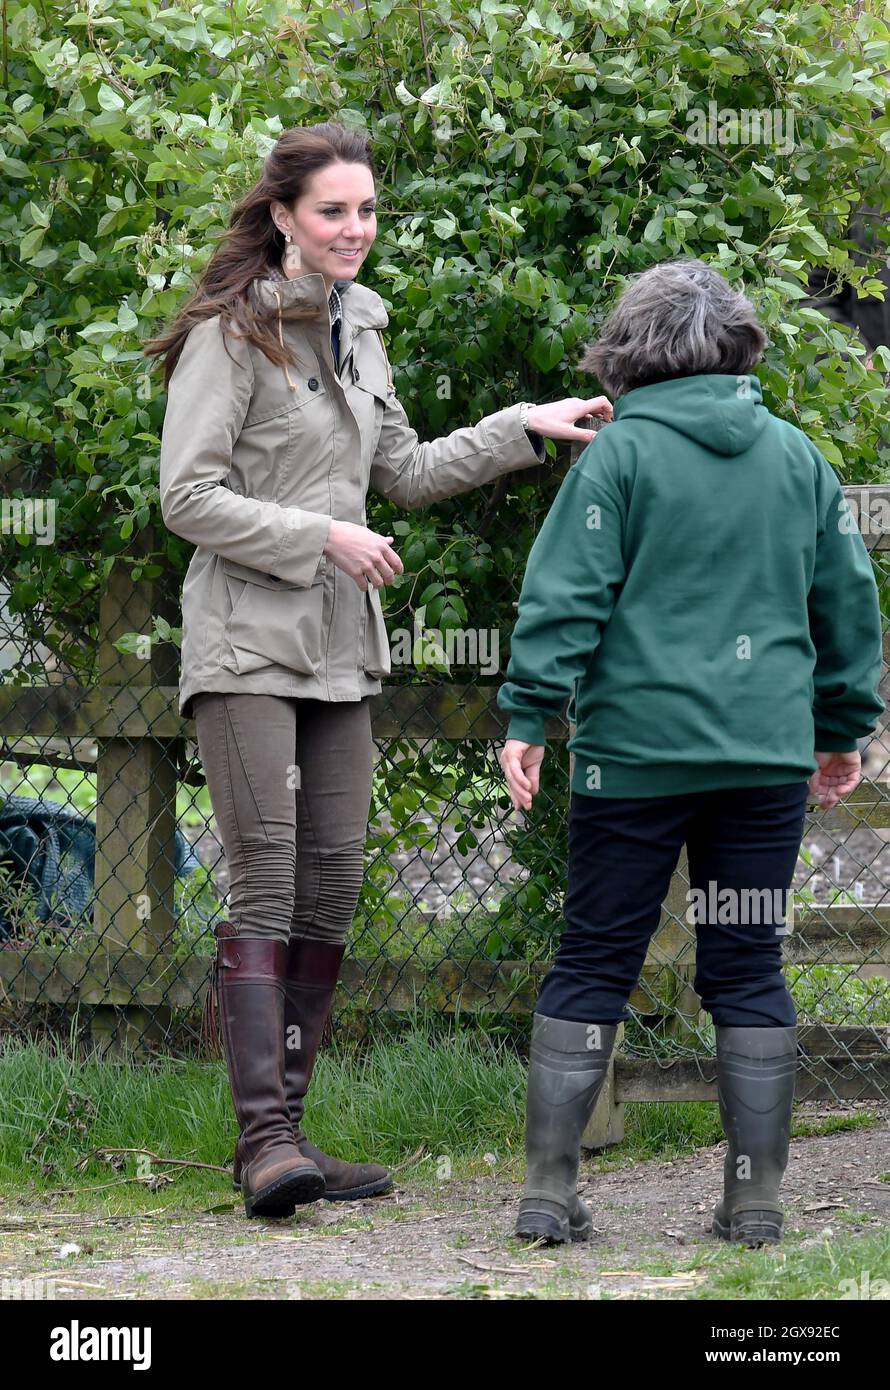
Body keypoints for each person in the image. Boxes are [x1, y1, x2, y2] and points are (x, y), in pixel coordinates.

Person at [145, 120, 613, 1219]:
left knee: (335, 882)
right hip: (247, 641)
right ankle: (262, 1143)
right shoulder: (229, 336)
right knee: (264, 877)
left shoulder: (362, 326)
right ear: (281, 219)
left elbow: (397, 473)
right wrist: (319, 536)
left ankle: (289, 1134)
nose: (353, 230)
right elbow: (188, 496)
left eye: (364, 211)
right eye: (331, 212)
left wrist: (520, 427)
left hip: (341, 650)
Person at [497, 257, 885, 1247]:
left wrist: (529, 713)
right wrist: (838, 732)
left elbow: (562, 599)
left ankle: (547, 1191)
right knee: (746, 968)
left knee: (590, 960)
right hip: (760, 762)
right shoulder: (794, 459)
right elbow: (846, 606)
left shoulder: (617, 461)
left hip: (629, 759)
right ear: (739, 348)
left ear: (631, 353)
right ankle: (751, 1201)